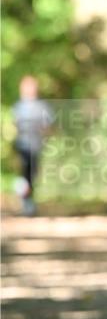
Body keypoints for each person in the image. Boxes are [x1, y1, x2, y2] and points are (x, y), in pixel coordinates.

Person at [12, 75, 54, 217]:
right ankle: (27, 203)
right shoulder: (19, 106)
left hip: (36, 145)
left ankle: (27, 199)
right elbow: (15, 124)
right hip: (23, 145)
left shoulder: (42, 106)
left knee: (33, 174)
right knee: (26, 173)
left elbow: (48, 126)